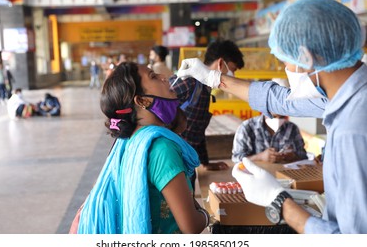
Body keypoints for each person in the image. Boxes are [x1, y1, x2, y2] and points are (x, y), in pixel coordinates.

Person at [177, 0, 367, 234]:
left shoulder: (353, 128)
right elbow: (278, 99)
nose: (286, 70)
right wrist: (215, 78)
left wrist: (280, 202)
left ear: (306, 57)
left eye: (286, 62)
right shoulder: (343, 94)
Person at [76, 62, 209, 234]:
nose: (164, 78)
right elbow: (191, 227)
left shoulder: (129, 141)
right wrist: (207, 214)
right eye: (153, 76)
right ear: (142, 100)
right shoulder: (162, 148)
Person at [169, 39, 245, 191]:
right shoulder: (188, 82)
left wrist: (206, 162)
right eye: (232, 69)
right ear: (221, 63)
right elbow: (158, 108)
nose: (233, 75)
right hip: (172, 164)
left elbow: (197, 130)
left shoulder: (205, 90)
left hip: (185, 164)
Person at [232, 112, 308, 164]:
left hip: (283, 176)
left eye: (281, 117)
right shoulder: (247, 127)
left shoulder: (292, 128)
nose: (277, 120)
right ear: (264, 111)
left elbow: (303, 156)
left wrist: (293, 157)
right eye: (274, 117)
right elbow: (236, 159)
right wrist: (260, 157)